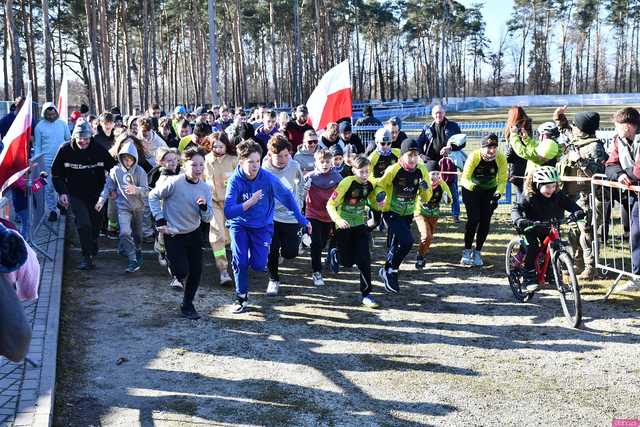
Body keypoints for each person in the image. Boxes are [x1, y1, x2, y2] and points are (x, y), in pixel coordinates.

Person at [224, 140, 311, 314]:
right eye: (250, 162)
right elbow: (228, 211)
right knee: (240, 263)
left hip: (262, 227)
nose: (255, 165)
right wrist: (248, 203)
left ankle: (249, 255)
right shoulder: (235, 180)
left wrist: (302, 219)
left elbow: (287, 197)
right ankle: (241, 297)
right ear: (241, 162)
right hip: (239, 226)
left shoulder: (267, 178)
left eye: (257, 161)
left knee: (258, 265)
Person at [149, 147, 214, 320]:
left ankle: (188, 304)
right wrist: (160, 219)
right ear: (184, 165)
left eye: (201, 165)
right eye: (194, 165)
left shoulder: (205, 188)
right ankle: (168, 258)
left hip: (194, 233)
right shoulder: (174, 182)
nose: (198, 168)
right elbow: (153, 196)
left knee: (196, 271)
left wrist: (204, 208)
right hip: (173, 233)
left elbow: (208, 218)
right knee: (181, 271)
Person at [51, 120, 117, 269]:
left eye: (86, 138)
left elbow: (113, 169)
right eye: (80, 138)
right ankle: (86, 257)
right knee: (83, 224)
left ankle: (92, 244)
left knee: (95, 224)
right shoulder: (65, 150)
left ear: (90, 138)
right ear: (74, 137)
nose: (83, 141)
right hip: (75, 193)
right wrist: (62, 192)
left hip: (97, 194)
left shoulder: (98, 149)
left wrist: (112, 188)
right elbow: (56, 174)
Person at [512, 166, 584, 292]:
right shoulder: (529, 196)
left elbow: (570, 204)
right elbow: (516, 208)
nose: (551, 190)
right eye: (547, 186)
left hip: (550, 226)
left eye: (553, 186)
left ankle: (552, 275)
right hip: (530, 227)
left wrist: (578, 211)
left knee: (554, 247)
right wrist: (519, 220)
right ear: (538, 185)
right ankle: (528, 277)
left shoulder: (558, 195)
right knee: (533, 247)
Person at [375, 139, 432, 293]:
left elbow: (426, 197)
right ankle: (392, 271)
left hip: (408, 213)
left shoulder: (421, 170)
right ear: (402, 155)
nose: (413, 159)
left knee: (395, 244)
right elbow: (380, 184)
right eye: (410, 155)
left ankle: (385, 271)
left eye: (416, 155)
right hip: (391, 212)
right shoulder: (394, 169)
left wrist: (425, 189)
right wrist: (380, 195)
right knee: (407, 242)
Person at [559, 111, 608, 281]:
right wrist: (560, 119)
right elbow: (565, 130)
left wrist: (579, 159)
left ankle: (590, 267)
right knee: (573, 230)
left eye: (576, 125)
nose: (573, 128)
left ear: (583, 129)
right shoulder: (578, 139)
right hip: (572, 195)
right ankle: (577, 262)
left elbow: (597, 172)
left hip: (588, 196)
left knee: (587, 233)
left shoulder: (595, 146)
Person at [327, 155, 381, 308]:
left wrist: (380, 204)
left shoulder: (369, 184)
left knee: (364, 260)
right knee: (347, 263)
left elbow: (373, 202)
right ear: (353, 170)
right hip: (343, 226)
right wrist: (338, 220)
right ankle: (335, 252)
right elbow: (330, 204)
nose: (365, 175)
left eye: (367, 172)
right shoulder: (346, 183)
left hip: (359, 225)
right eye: (361, 172)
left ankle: (367, 294)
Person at [95, 135, 148, 273]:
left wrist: (136, 189)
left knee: (137, 234)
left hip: (138, 207)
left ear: (135, 158)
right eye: (125, 158)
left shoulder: (140, 172)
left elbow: (146, 191)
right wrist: (102, 200)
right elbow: (108, 187)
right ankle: (132, 260)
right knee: (124, 232)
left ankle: (137, 249)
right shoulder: (115, 171)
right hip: (123, 207)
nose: (128, 161)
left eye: (130, 159)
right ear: (120, 158)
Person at [262, 135, 305, 296]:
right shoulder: (265, 169)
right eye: (278, 156)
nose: (282, 159)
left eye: (286, 155)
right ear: (270, 154)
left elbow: (301, 184)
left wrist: (299, 203)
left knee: (290, 252)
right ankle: (273, 280)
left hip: (290, 215)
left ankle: (289, 248)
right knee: (271, 250)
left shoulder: (294, 165)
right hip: (271, 216)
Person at [605, 107, 640, 291]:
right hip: (634, 195)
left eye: (617, 126)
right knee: (635, 234)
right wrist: (619, 174)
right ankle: (637, 276)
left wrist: (627, 174)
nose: (616, 129)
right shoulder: (618, 140)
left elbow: (638, 171)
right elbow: (610, 164)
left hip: (635, 189)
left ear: (626, 126)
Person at [460, 133, 508, 267]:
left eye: (495, 147)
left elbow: (502, 179)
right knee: (473, 219)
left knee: (485, 220)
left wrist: (498, 193)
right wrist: (473, 186)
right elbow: (465, 178)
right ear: (482, 147)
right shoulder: (474, 156)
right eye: (489, 147)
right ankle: (467, 250)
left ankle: (477, 252)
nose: (492, 151)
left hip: (490, 190)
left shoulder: (500, 157)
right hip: (471, 189)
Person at [417, 104, 462, 221]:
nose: (438, 115)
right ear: (433, 115)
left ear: (444, 113)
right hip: (432, 163)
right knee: (429, 187)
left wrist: (450, 148)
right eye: (436, 113)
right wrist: (422, 155)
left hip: (448, 162)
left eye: (440, 112)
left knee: (452, 187)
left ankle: (455, 214)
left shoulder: (453, 126)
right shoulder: (427, 128)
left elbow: (462, 143)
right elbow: (418, 144)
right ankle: (426, 210)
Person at [305, 149, 343, 286]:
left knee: (322, 243)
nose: (325, 164)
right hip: (313, 214)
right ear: (316, 162)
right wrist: (304, 189)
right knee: (315, 244)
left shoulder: (338, 177)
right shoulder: (309, 177)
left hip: (329, 215)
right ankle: (317, 272)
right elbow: (299, 194)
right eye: (322, 162)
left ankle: (327, 258)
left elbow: (342, 195)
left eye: (327, 161)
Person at [204, 134, 237, 287]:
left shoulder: (233, 160)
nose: (218, 149)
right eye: (215, 146)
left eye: (221, 146)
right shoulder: (205, 161)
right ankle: (223, 269)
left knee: (229, 237)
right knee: (217, 235)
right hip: (213, 203)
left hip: (232, 204)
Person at [34, 102, 72, 222]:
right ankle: (52, 210)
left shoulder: (62, 124)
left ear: (56, 112)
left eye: (53, 114)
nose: (51, 116)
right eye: (48, 114)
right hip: (46, 162)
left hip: (62, 160)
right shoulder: (39, 127)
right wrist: (37, 163)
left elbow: (69, 140)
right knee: (48, 187)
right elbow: (38, 147)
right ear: (44, 113)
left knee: (62, 185)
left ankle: (63, 205)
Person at [147, 147, 180, 276]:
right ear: (161, 162)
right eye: (169, 160)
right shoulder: (160, 177)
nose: (173, 162)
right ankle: (161, 251)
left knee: (175, 236)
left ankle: (174, 261)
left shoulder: (181, 173)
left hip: (177, 212)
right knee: (163, 237)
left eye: (175, 160)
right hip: (163, 212)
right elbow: (153, 195)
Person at [414, 160, 452, 269]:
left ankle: (421, 255)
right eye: (432, 174)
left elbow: (450, 200)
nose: (435, 176)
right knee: (426, 235)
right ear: (427, 174)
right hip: (420, 212)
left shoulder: (442, 184)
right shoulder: (422, 183)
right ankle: (420, 257)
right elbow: (415, 195)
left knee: (429, 238)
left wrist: (447, 199)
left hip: (434, 213)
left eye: (437, 173)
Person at [368, 128, 400, 230]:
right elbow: (367, 175)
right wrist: (378, 182)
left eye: (388, 143)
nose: (386, 146)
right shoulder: (373, 157)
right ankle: (364, 232)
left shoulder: (397, 153)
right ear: (377, 142)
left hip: (392, 191)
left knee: (391, 224)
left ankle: (392, 245)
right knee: (375, 222)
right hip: (377, 191)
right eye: (382, 143)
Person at [503, 106, 531, 202]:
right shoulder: (526, 126)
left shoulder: (515, 129)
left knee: (522, 194)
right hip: (524, 165)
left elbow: (511, 153)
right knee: (521, 192)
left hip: (518, 167)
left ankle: (520, 212)